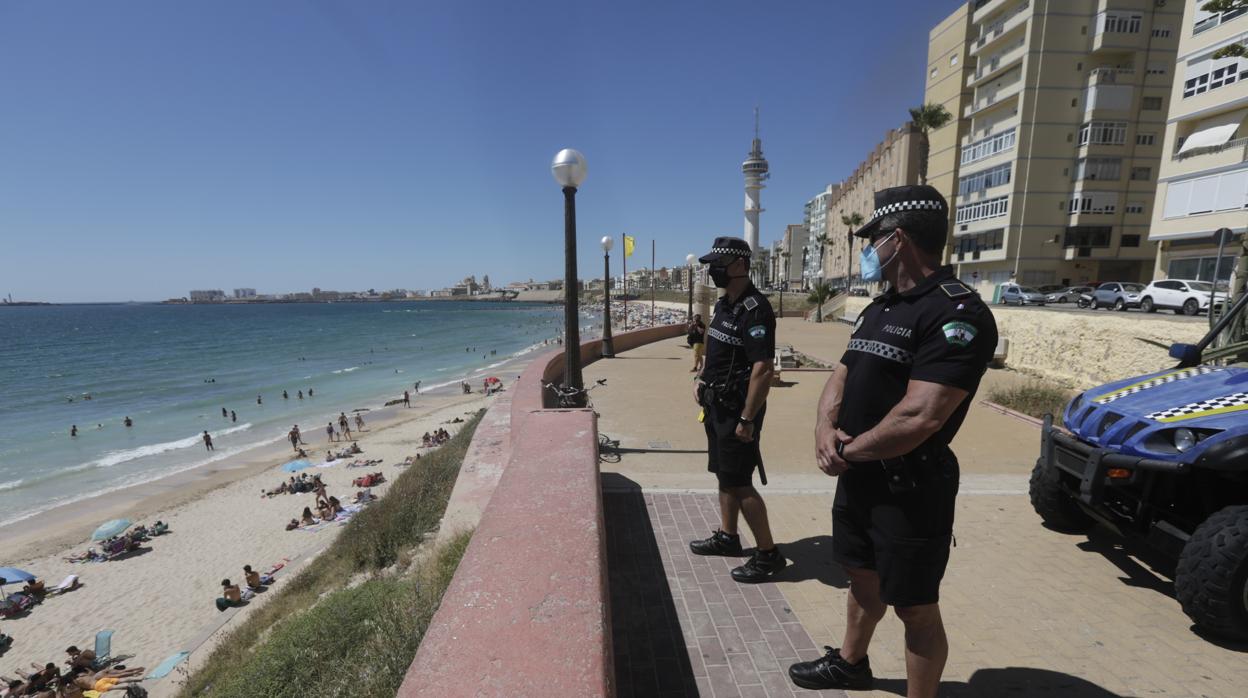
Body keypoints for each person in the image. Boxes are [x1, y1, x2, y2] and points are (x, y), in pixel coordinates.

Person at [787, 185, 997, 697]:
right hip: (859, 477)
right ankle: (851, 663)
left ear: (898, 239)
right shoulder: (880, 307)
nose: (868, 248)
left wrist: (847, 452)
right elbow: (842, 373)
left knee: (915, 607)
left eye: (873, 238)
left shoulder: (957, 313)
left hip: (911, 486)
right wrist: (823, 429)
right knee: (861, 578)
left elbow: (921, 414)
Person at [688, 236, 785, 583]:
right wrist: (701, 378)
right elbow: (718, 351)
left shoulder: (755, 309)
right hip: (715, 405)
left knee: (741, 482)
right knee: (724, 475)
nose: (713, 269)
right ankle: (728, 537)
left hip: (738, 410)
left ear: (740, 265)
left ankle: (769, 554)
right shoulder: (725, 305)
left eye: (719, 263)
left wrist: (747, 418)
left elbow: (762, 369)